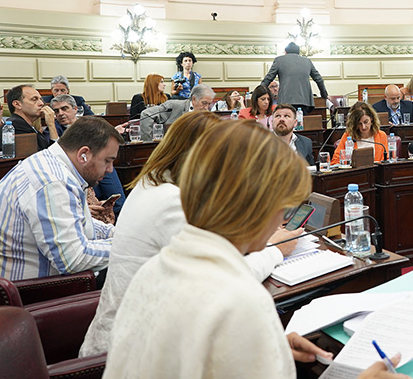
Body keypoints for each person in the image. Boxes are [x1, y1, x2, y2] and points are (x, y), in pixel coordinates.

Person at [88, 121, 413, 379]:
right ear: (259, 205)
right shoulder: (239, 301)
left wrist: (270, 346)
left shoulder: (160, 267)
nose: (280, 222)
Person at [79, 112, 301, 357]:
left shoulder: (153, 185)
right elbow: (226, 281)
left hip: (146, 338)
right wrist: (274, 250)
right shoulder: (172, 202)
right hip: (128, 354)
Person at [0, 117, 123, 280]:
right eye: (107, 161)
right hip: (36, 293)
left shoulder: (50, 164)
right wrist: (130, 245)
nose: (110, 170)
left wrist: (121, 234)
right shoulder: (53, 182)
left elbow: (80, 223)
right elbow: (73, 259)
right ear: (83, 154)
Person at [51, 94, 127, 216]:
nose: (60, 113)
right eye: (56, 111)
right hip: (79, 169)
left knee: (117, 200)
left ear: (75, 109)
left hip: (99, 163)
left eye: (64, 109)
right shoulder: (54, 129)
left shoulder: (89, 124)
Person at [262, 42, 329, 116]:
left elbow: (268, 78)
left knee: (287, 124)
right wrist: (324, 95)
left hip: (285, 101)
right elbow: (318, 79)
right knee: (301, 124)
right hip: (304, 102)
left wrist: (259, 93)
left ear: (285, 52)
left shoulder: (279, 60)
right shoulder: (307, 61)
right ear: (298, 52)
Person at [0, 85, 60, 151]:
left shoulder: (26, 126)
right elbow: (51, 156)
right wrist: (51, 125)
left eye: (41, 99)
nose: (41, 103)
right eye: (34, 99)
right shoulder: (17, 126)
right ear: (17, 104)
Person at [140, 85, 215, 141]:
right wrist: (148, 143)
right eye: (204, 103)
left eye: (209, 104)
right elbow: (146, 114)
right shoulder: (173, 106)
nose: (206, 108)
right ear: (194, 99)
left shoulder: (207, 115)